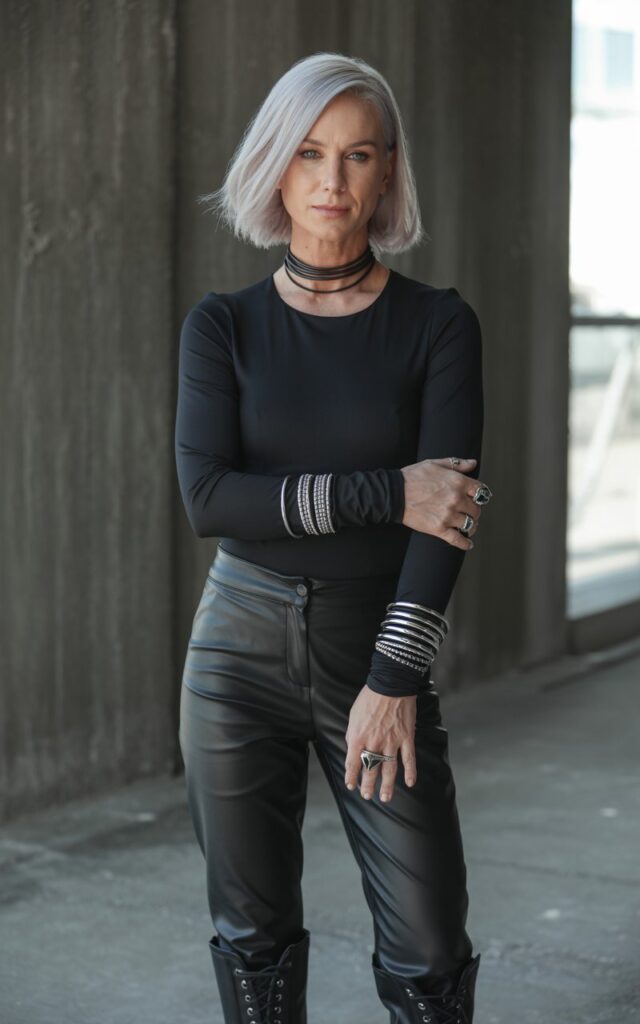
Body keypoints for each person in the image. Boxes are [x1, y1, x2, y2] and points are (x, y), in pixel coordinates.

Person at [175, 51, 492, 1024]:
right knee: (253, 939)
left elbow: (446, 519)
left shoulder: (437, 326)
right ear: (277, 163)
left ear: (389, 170)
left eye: (358, 156)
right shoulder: (222, 327)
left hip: (374, 644)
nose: (332, 180)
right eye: (310, 152)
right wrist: (384, 489)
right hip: (234, 652)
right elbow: (212, 500)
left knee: (429, 945)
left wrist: (394, 682)